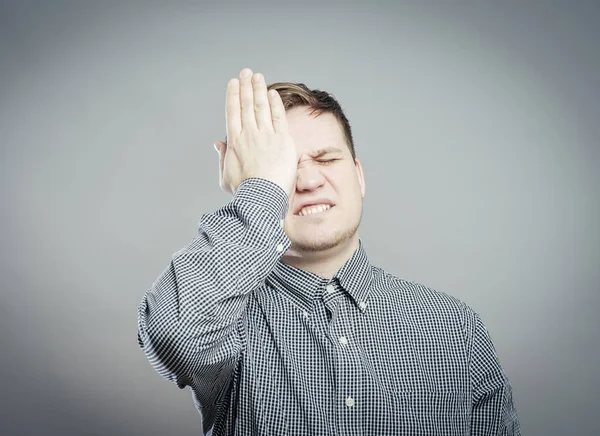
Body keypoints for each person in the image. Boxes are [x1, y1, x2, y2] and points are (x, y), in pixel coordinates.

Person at [137, 67, 521, 435]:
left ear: (359, 175)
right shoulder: (225, 321)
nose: (307, 180)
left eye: (325, 159)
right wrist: (259, 189)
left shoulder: (455, 328)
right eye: (285, 169)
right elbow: (174, 335)